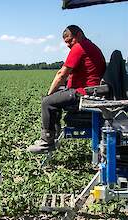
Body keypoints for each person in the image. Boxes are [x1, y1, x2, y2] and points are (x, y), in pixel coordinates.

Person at [28, 25, 106, 153]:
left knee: (47, 102)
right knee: (56, 95)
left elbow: (61, 75)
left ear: (79, 35)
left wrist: (49, 95)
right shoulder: (90, 46)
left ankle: (47, 141)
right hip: (90, 90)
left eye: (70, 40)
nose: (68, 45)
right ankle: (54, 132)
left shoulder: (80, 47)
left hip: (85, 93)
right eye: (66, 42)